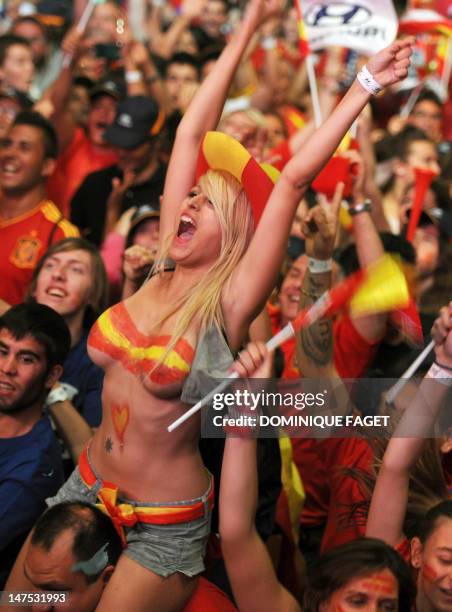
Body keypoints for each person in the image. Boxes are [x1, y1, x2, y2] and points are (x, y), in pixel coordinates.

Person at [4, 1, 414, 608]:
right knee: (21, 603)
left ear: (239, 237)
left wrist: (365, 84)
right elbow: (191, 133)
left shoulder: (227, 302)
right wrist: (247, 25)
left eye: (208, 203)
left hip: (162, 525)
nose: (188, 203)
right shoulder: (162, 265)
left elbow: (296, 179)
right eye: (190, 194)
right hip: (84, 489)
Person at [366, 301, 452, 612]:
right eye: (446, 559)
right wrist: (444, 365)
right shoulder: (392, 582)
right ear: (415, 554)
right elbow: (395, 465)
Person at [0, 302, 71, 588]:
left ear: (52, 376)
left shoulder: (34, 469)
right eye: (2, 352)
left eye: (26, 359)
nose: (7, 368)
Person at [27, 238, 108, 460]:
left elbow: (94, 457)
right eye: (50, 265)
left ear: (94, 293)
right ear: (34, 287)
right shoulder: (7, 342)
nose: (58, 275)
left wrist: (48, 385)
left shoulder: (98, 363)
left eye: (76, 269)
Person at [0, 111, 79, 309]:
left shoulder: (59, 234)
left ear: (47, 166)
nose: (9, 154)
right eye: (6, 144)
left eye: (24, 147)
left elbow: (54, 320)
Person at [70, 96, 166, 246]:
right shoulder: (94, 184)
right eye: (118, 142)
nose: (121, 152)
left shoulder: (171, 188)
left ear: (156, 142)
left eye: (131, 146)